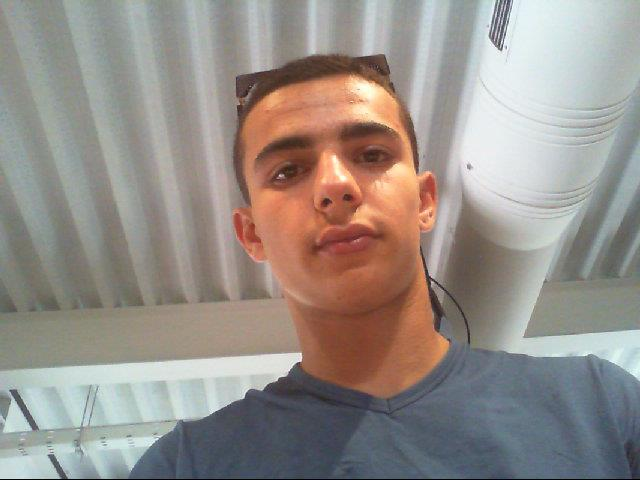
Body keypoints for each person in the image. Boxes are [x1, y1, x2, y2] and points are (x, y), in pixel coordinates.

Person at [129, 53, 639, 478]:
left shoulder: (599, 404)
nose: (335, 184)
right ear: (252, 234)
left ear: (424, 201)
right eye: (288, 171)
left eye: (371, 155)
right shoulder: (187, 467)